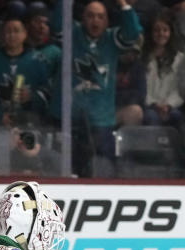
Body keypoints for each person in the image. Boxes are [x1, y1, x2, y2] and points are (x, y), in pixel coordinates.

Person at [50, 0, 143, 177]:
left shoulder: (111, 39)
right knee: (65, 170)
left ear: (107, 21)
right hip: (68, 117)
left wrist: (123, 4)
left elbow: (132, 33)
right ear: (82, 19)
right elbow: (56, 24)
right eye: (90, 16)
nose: (95, 21)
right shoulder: (73, 34)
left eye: (100, 17)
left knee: (100, 171)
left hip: (100, 121)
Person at [0, 16, 51, 125]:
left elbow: (47, 91)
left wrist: (32, 97)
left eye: (16, 31)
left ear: (25, 34)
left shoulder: (38, 60)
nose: (12, 35)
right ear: (2, 35)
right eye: (8, 31)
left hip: (30, 121)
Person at [143, 13, 185, 126]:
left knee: (176, 116)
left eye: (165, 30)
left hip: (172, 106)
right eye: (156, 30)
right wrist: (154, 105)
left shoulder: (181, 59)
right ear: (151, 33)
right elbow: (140, 87)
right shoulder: (143, 58)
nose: (161, 34)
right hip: (148, 105)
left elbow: (184, 88)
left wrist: (168, 105)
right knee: (151, 117)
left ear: (170, 33)